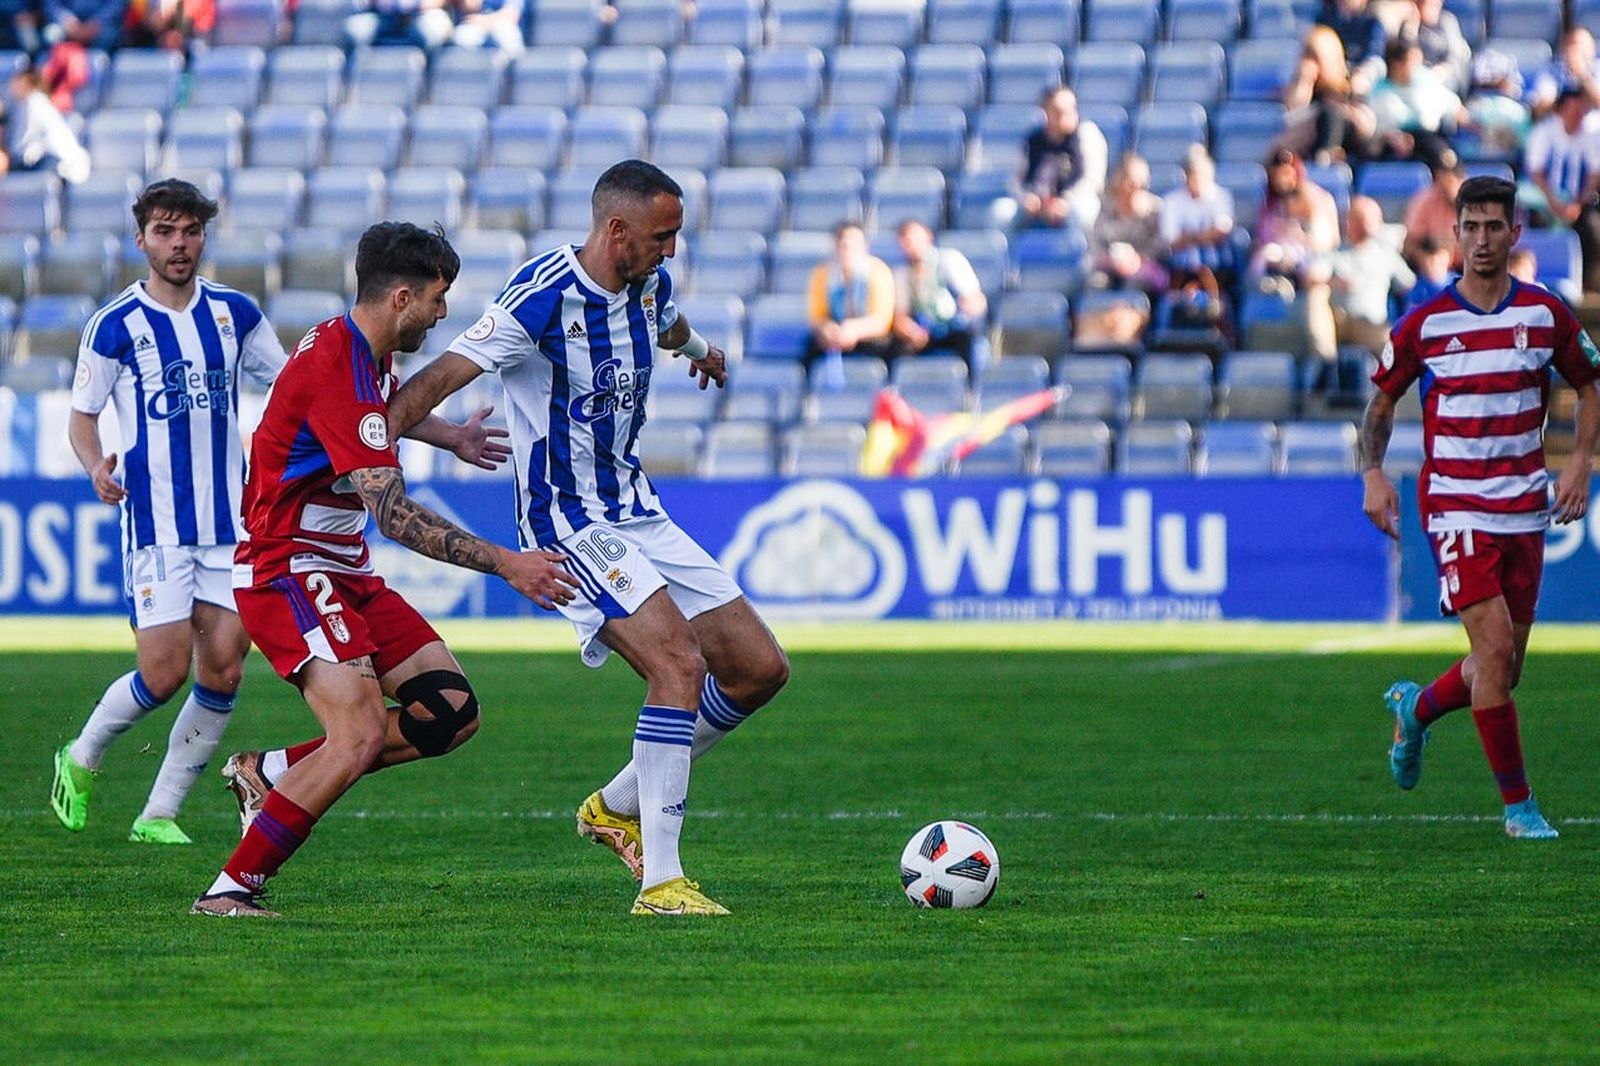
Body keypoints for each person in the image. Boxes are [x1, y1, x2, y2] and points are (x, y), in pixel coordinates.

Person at [385, 160, 792, 917]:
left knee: (759, 669)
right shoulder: (540, 296)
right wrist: (369, 443)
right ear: (617, 230)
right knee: (678, 664)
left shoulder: (647, 282)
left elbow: (668, 321)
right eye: (662, 236)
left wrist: (701, 351)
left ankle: (615, 805)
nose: (671, 250)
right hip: (568, 522)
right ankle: (662, 883)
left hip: (639, 509)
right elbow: (437, 379)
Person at [190, 222, 577, 917]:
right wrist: (507, 564)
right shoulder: (336, 366)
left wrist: (448, 434)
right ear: (402, 297)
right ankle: (230, 889)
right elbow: (396, 516)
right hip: (288, 569)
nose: (441, 312)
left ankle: (269, 770)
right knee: (360, 733)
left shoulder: (362, 348)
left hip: (345, 570)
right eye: (437, 297)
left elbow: (376, 412)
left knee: (449, 713)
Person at [1360, 175, 1600, 840]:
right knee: (1492, 652)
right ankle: (1519, 809)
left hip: (1524, 507)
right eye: (1472, 227)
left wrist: (1579, 462)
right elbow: (1382, 403)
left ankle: (1416, 710)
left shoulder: (1543, 314)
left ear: (1514, 233)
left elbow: (1590, 383)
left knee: (1503, 669)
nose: (1483, 239)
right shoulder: (1427, 322)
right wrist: (1373, 473)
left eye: (1495, 227)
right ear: (1456, 233)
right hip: (1456, 504)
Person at [51, 180, 289, 846]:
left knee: (225, 669)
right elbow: (82, 419)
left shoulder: (236, 315)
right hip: (156, 524)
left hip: (229, 526)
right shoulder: (115, 325)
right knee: (163, 672)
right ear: (142, 240)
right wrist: (95, 467)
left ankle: (159, 813)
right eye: (164, 231)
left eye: (189, 231)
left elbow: (290, 384)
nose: (178, 244)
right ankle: (82, 754)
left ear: (203, 237)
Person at [999, 86, 1107, 233]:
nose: (1065, 115)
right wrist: (1026, 198)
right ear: (1045, 111)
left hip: (1071, 203)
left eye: (1070, 110)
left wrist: (1065, 202)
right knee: (1002, 213)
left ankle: (1078, 248)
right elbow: (1015, 180)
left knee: (1084, 212)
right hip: (1036, 205)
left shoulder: (1086, 135)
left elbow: (1092, 180)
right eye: (1057, 111)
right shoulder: (1033, 140)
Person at [1524, 87, 1600, 291]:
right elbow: (1536, 173)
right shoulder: (1544, 132)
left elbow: (1594, 175)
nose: (1577, 116)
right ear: (1560, 110)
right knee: (1534, 222)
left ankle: (1587, 283)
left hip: (1578, 202)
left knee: (1592, 228)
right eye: (1572, 110)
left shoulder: (1590, 135)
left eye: (1580, 111)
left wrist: (1577, 204)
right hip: (1544, 200)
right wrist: (1553, 201)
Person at [890, 219, 988, 371]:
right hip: (924, 331)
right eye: (904, 239)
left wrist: (966, 310)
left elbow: (975, 299)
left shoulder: (950, 260)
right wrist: (912, 331)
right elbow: (900, 315)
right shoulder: (901, 274)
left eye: (914, 236)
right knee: (896, 350)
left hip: (953, 327)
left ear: (928, 236)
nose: (910, 243)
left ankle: (971, 382)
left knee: (967, 340)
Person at [1328, 195, 1414, 358]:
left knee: (1395, 349)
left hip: (1372, 325)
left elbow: (1408, 284)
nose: (1374, 223)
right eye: (1365, 218)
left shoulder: (1385, 254)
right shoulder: (1335, 253)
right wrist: (1335, 283)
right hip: (1338, 323)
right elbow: (1315, 279)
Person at [805, 220, 897, 369]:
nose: (847, 251)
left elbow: (882, 320)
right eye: (843, 245)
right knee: (811, 347)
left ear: (864, 247)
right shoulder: (822, 274)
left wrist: (854, 330)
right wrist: (828, 329)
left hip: (868, 334)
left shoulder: (879, 272)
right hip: (836, 331)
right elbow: (817, 316)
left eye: (853, 245)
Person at [1281, 24, 1377, 165]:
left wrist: (1343, 111)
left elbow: (1366, 125)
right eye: (1308, 56)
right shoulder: (1302, 83)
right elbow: (1293, 116)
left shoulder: (1352, 81)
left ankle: (1326, 156)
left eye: (1315, 57)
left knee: (1331, 114)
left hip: (1349, 144)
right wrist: (1304, 80)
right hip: (1310, 142)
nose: (1312, 63)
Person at [1369, 37, 1465, 169]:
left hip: (1429, 139)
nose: (1418, 67)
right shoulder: (1377, 91)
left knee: (1446, 156)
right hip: (1388, 144)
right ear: (1396, 64)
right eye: (1413, 62)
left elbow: (1452, 106)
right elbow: (1373, 128)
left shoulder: (1426, 80)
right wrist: (1390, 137)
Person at [1090, 151, 1166, 295]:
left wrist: (1137, 260)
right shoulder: (1105, 209)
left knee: (1134, 284)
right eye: (1130, 184)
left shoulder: (1155, 211)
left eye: (1141, 185)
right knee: (1095, 283)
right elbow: (1094, 246)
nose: (1135, 189)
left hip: (1143, 267)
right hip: (1110, 266)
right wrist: (1109, 260)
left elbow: (1160, 249)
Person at [0, 65, 90, 184]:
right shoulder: (30, 102)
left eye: (15, 82)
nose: (11, 87)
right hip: (44, 159)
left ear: (25, 82)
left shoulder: (34, 102)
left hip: (49, 160)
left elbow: (21, 145)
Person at [1528, 27, 1600, 120]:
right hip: (1559, 122)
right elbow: (1541, 109)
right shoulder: (1552, 71)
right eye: (1573, 45)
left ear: (1592, 48)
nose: (1577, 50)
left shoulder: (1597, 68)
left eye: (1582, 46)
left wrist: (1581, 74)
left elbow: (1598, 102)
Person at [1401, 155, 1462, 264]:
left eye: (1452, 177)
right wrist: (1425, 260)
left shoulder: (1474, 202)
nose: (1446, 182)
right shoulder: (1424, 200)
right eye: (1441, 176)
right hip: (1433, 266)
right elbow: (1410, 244)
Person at [1402, 0, 1469, 95]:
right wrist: (1413, 25)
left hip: (1445, 78)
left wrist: (1440, 72)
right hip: (1416, 80)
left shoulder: (1447, 21)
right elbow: (1406, 53)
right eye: (1422, 3)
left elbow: (1454, 56)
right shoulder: (1410, 24)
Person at [1403, 234, 1452, 309]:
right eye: (1431, 261)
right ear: (1420, 259)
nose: (1436, 264)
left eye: (1441, 261)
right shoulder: (1415, 289)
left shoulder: (1460, 285)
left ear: (1449, 258)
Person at [451, 0, 522, 52]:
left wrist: (485, 20)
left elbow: (512, 15)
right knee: (463, 37)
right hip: (475, 25)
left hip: (501, 24)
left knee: (510, 37)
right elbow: (470, 6)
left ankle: (511, 67)